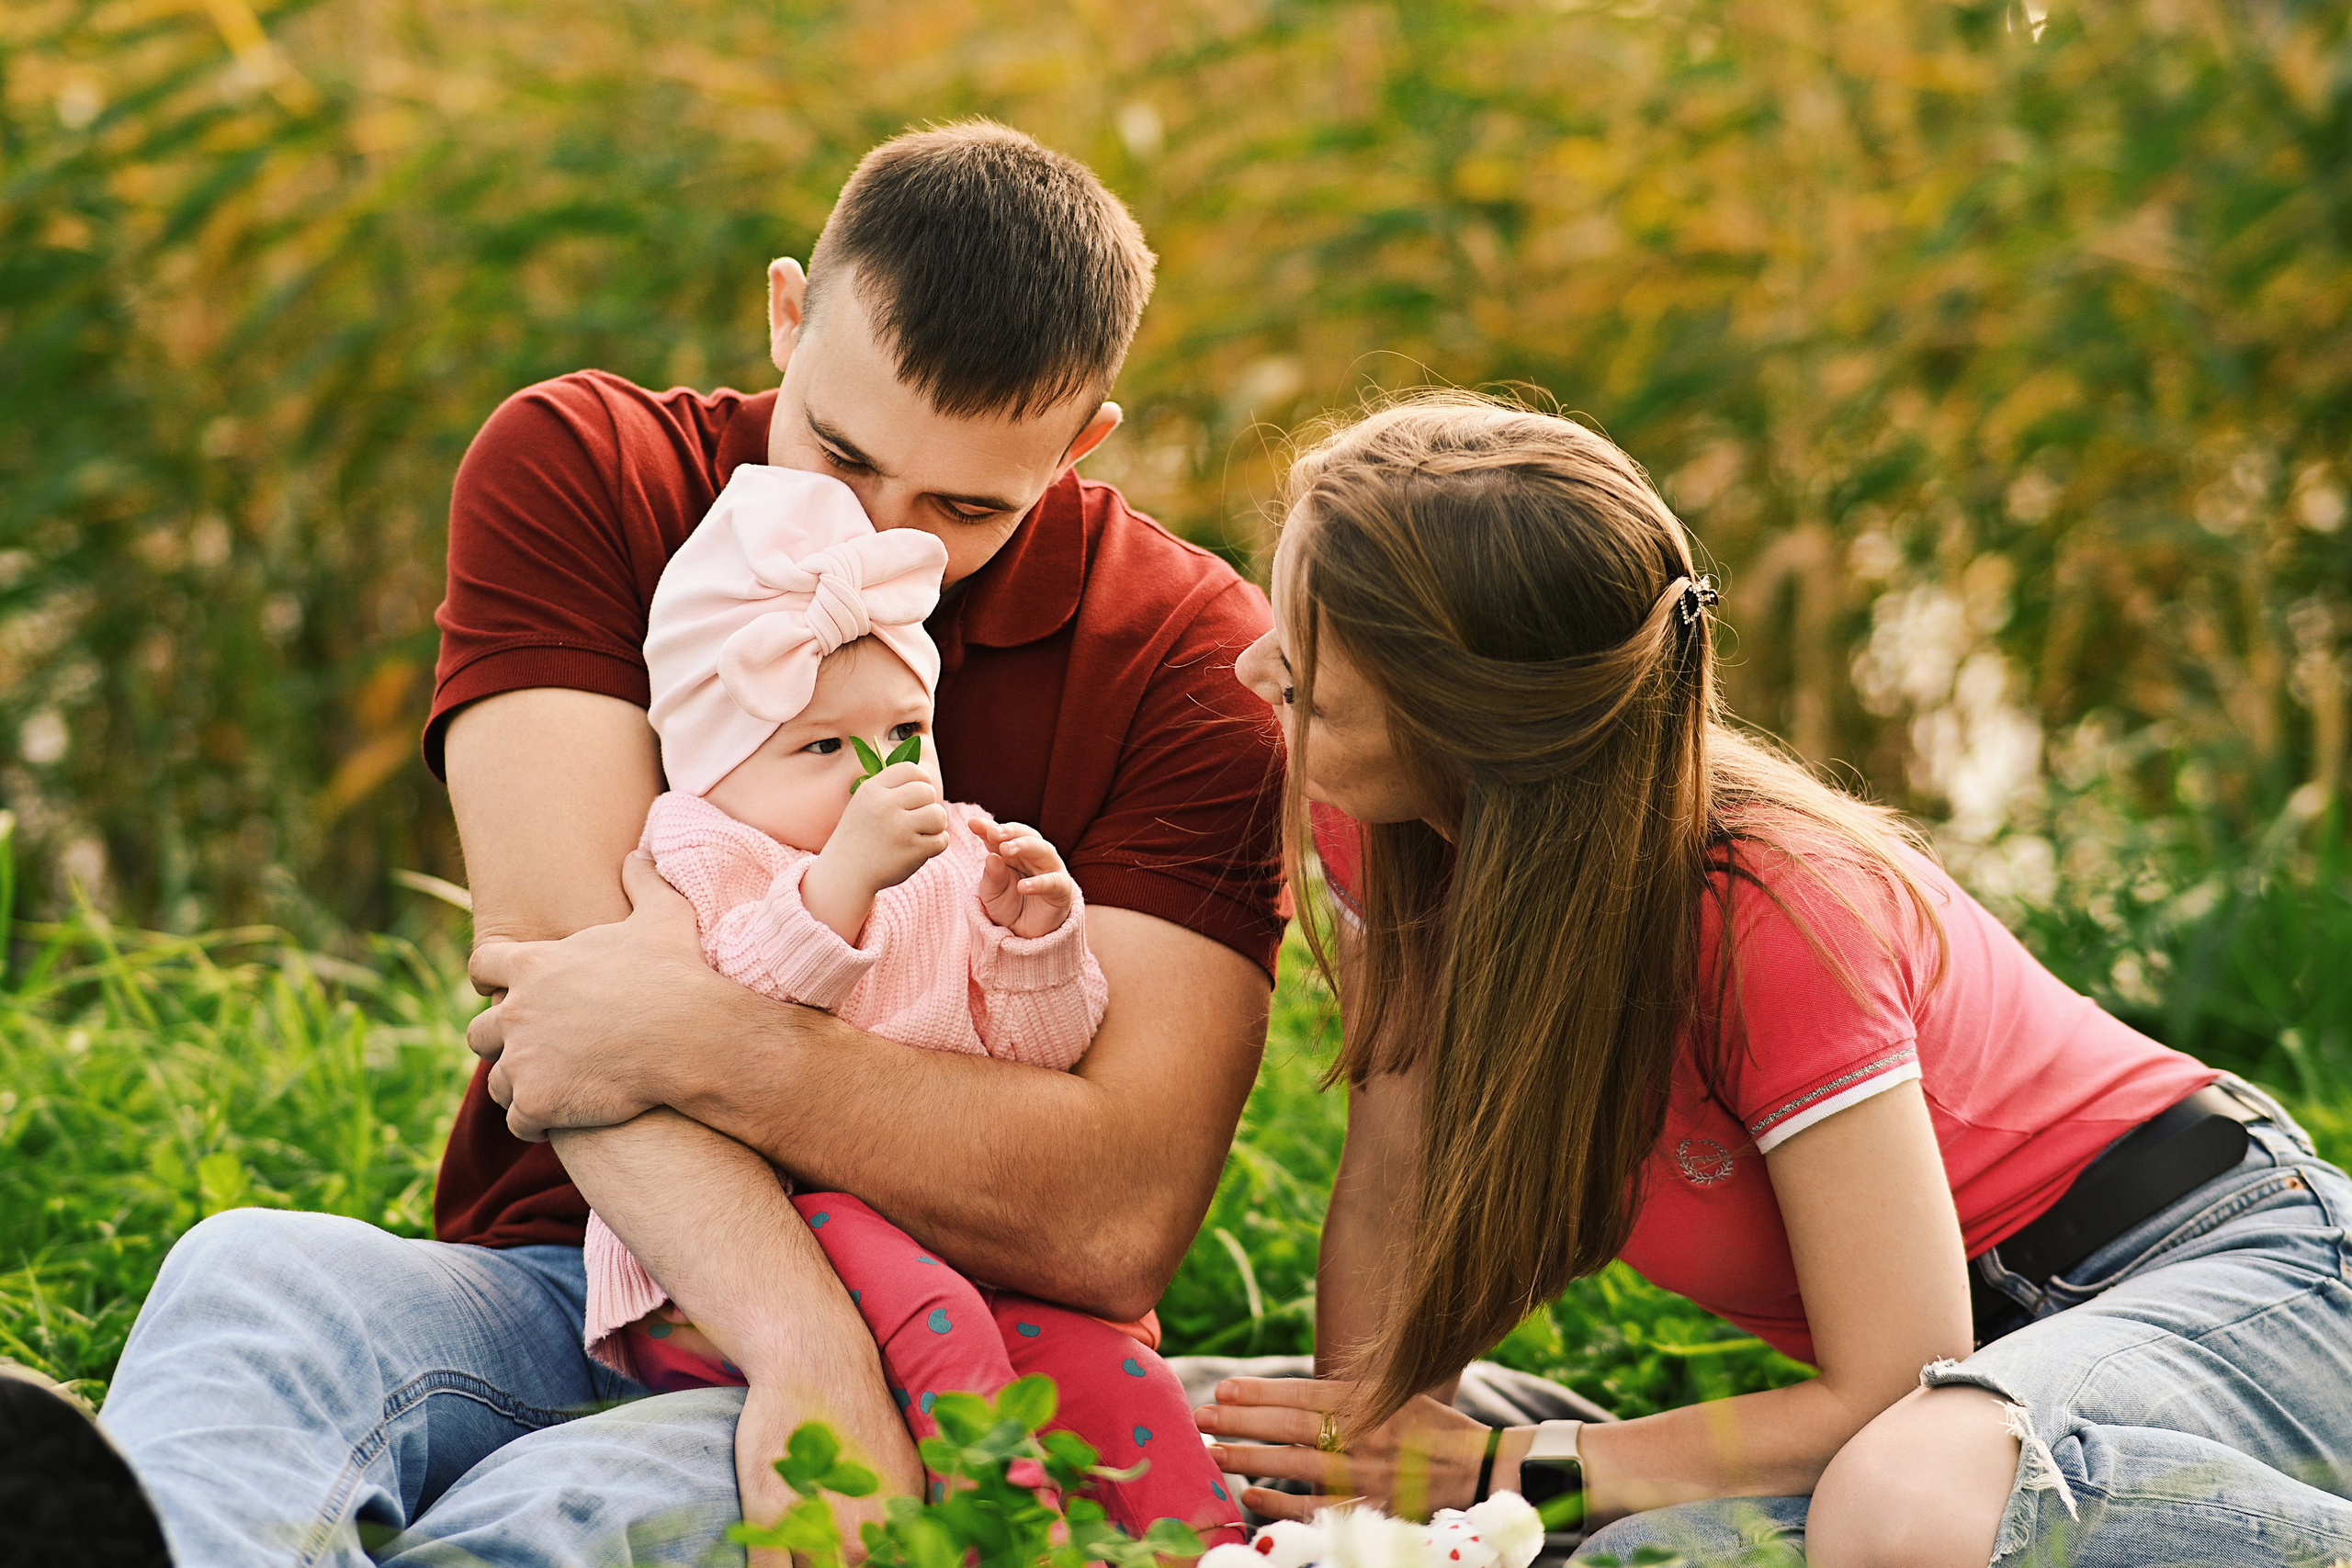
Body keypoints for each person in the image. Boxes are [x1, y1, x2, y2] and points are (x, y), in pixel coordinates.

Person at [95, 121, 1285, 1567]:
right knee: (254, 1276)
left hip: (950, 1334)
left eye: (965, 506)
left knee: (551, 1520)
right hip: (576, 1262)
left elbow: (1109, 1216)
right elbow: (562, 1009)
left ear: (1085, 441)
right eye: (841, 452)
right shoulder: (587, 464)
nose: (877, 535)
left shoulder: (1189, 653)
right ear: (789, 311)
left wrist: (711, 1049)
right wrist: (805, 1360)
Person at [1197, 392, 2352, 1567]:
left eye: (1305, 678)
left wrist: (1502, 1474)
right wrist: (1352, 1504)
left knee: (1903, 1504)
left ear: (1465, 725)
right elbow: (1397, 1193)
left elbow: (1888, 1384)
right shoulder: (1388, 830)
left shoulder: (1772, 911)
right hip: (1944, 1411)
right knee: (1632, 1554)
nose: (1253, 670)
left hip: (2220, 1279)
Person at [582, 457, 1240, 1544]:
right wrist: (840, 882)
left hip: (941, 1232)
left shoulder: (946, 854)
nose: (870, 776)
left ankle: (1210, 1546)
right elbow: (716, 1023)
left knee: (1112, 1365)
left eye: (901, 736)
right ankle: (1003, 1535)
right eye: (820, 746)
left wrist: (1030, 939)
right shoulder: (699, 848)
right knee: (939, 1327)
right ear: (714, 760)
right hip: (741, 1257)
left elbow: (1030, 1053)